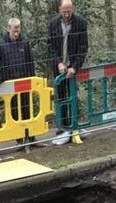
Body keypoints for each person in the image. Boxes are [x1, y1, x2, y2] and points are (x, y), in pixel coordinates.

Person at [48, 0, 88, 144]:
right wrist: (58, 62)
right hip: (58, 67)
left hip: (73, 67)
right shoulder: (53, 24)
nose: (66, 14)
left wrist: (74, 67)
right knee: (61, 97)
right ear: (59, 10)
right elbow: (50, 46)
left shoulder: (81, 23)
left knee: (74, 96)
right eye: (64, 11)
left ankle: (74, 125)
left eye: (69, 11)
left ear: (73, 9)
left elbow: (83, 48)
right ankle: (63, 127)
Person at [0, 17, 36, 150]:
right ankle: (19, 139)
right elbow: (0, 64)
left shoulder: (25, 42)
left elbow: (30, 61)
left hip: (24, 80)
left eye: (18, 30)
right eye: (14, 30)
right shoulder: (1, 44)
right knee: (14, 110)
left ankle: (31, 136)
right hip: (10, 83)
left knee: (27, 108)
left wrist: (32, 79)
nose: (16, 33)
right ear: (8, 29)